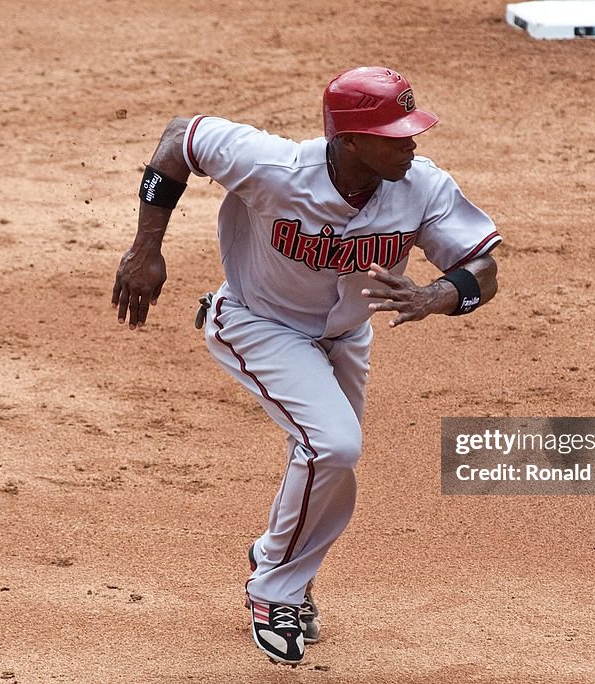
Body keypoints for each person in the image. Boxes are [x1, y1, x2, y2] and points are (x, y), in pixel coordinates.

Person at [112, 66, 502, 665]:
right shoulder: (273, 165)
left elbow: (483, 270)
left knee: (331, 459)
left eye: (412, 129)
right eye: (395, 133)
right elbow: (177, 140)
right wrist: (146, 247)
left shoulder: (423, 187)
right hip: (257, 322)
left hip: (346, 336)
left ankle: (280, 563)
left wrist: (435, 295)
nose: (412, 143)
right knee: (334, 446)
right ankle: (274, 590)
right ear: (349, 139)